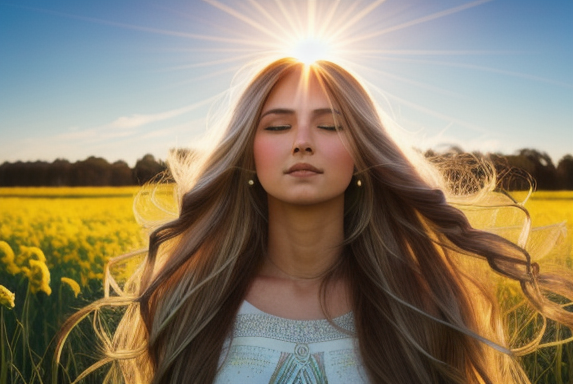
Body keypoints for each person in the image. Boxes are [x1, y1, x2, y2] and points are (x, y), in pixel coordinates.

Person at [56, 57, 573, 384]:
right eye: (278, 125)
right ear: (248, 155)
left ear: (363, 153)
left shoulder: (423, 301)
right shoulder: (190, 298)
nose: (302, 140)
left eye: (329, 125)